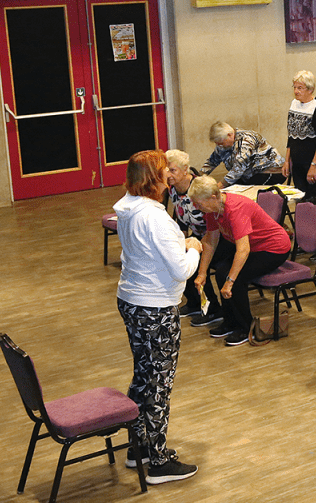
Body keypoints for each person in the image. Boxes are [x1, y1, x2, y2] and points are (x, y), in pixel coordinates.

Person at [114, 150, 202, 483]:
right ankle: (158, 461)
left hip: (132, 300)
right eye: (164, 171)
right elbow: (180, 270)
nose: (169, 175)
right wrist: (192, 248)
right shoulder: (156, 218)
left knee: (143, 376)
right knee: (159, 384)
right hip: (155, 308)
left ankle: (138, 447)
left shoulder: (126, 206)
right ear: (154, 178)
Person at [189, 176, 291, 346]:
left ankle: (245, 328)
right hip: (253, 246)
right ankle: (230, 322)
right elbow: (211, 241)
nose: (195, 207)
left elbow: (243, 250)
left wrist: (230, 282)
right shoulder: (212, 210)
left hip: (273, 248)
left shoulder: (235, 208)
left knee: (232, 278)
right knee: (222, 270)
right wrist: (202, 274)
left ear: (213, 197)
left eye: (198, 203)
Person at [165, 149, 223, 327]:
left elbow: (213, 223)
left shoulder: (198, 189)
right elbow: (180, 216)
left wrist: (196, 246)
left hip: (214, 236)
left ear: (185, 170)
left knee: (197, 263)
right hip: (196, 236)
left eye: (172, 170)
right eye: (166, 170)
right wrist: (180, 243)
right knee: (176, 257)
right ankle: (193, 302)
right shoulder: (173, 189)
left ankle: (212, 309)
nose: (168, 174)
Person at [282, 70, 316, 260]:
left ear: (310, 89)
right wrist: (287, 159)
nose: (296, 91)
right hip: (297, 160)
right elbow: (291, 134)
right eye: (295, 87)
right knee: (302, 202)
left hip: (314, 160)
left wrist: (314, 165)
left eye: (300, 88)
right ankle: (306, 242)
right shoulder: (294, 104)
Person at [201, 122, 284, 187]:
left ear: (229, 135)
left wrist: (221, 185)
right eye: (217, 144)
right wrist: (198, 177)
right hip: (250, 174)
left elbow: (240, 166)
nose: (219, 146)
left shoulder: (247, 139)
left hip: (270, 171)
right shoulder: (224, 143)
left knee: (246, 192)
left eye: (221, 143)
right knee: (230, 190)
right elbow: (212, 161)